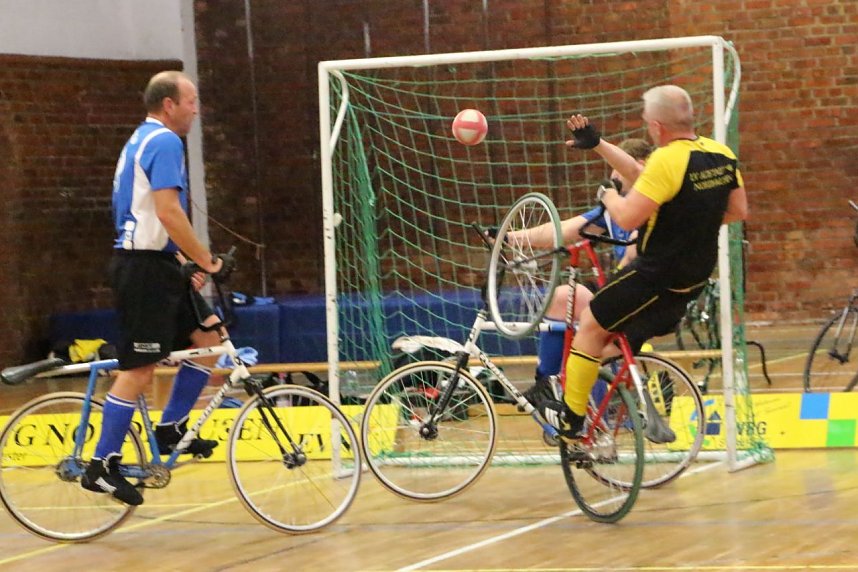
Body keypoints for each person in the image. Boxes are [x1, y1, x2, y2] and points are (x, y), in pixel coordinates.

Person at [539, 84, 748, 438]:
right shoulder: (719, 153)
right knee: (609, 343)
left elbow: (626, 220)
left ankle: (571, 419)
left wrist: (608, 196)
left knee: (589, 325)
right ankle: (624, 396)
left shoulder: (667, 159)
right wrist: (599, 145)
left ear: (656, 126)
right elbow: (737, 210)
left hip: (655, 276)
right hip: (692, 280)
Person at [81, 71, 233, 505]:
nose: (196, 109)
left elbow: (144, 213)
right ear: (168, 104)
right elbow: (167, 212)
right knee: (139, 369)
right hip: (143, 270)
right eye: (191, 101)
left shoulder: (140, 140)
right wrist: (206, 260)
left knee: (208, 342)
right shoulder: (165, 141)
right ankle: (103, 464)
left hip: (158, 264)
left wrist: (182, 263)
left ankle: (169, 429)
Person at [507, 139, 653, 406]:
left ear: (638, 166)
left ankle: (607, 408)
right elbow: (562, 232)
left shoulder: (652, 206)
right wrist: (509, 238)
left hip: (646, 301)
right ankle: (546, 386)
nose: (611, 177)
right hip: (619, 294)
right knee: (562, 297)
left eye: (616, 168)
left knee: (586, 349)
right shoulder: (615, 210)